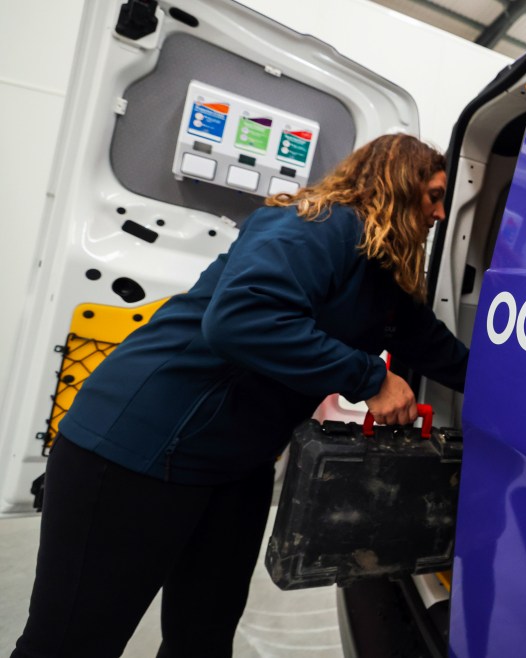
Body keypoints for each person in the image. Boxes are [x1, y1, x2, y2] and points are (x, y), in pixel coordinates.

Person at [13, 133, 469, 657]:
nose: (438, 214)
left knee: (202, 640)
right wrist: (369, 377)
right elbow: (240, 318)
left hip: (234, 467)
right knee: (70, 642)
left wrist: (521, 393)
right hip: (138, 447)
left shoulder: (380, 271)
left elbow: (433, 346)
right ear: (397, 182)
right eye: (433, 195)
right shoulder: (318, 224)